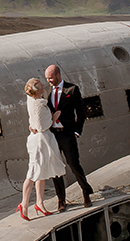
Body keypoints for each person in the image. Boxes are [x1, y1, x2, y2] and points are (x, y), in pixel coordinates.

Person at [45, 64, 94, 210]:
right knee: (55, 168)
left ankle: (86, 191)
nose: (48, 81)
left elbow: (81, 112)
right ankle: (61, 199)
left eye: (50, 78)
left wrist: (77, 131)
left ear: (58, 75)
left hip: (67, 134)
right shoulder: (47, 91)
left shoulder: (71, 90)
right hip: (53, 134)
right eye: (47, 78)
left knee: (73, 164)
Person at [20, 77, 67, 220]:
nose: (43, 85)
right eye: (40, 84)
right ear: (37, 89)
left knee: (42, 172)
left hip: (42, 139)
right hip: (40, 141)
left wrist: (32, 124)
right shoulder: (38, 104)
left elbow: (34, 121)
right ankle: (24, 204)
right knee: (33, 173)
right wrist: (53, 118)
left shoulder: (33, 100)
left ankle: (39, 203)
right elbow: (41, 126)